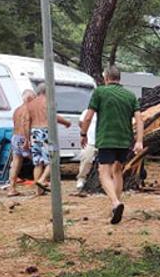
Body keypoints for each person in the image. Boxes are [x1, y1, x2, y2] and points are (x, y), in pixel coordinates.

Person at [81, 65, 143, 224]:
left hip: (107, 138)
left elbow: (88, 117)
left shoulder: (100, 92)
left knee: (104, 172)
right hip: (124, 140)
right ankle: (115, 205)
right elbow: (139, 119)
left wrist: (83, 134)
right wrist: (139, 141)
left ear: (106, 77)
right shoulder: (130, 95)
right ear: (119, 78)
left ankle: (116, 203)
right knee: (117, 171)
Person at [25, 82, 71, 196]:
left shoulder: (30, 104)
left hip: (34, 132)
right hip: (46, 132)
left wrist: (27, 139)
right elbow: (53, 116)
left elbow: (27, 122)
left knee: (38, 162)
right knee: (53, 158)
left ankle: (38, 190)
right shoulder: (49, 101)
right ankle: (42, 180)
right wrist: (66, 122)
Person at [6, 89, 35, 197]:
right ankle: (40, 187)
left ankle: (11, 188)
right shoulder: (29, 110)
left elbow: (15, 123)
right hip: (23, 137)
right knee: (39, 161)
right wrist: (28, 139)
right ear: (29, 99)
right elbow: (26, 125)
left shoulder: (17, 110)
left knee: (16, 163)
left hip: (15, 137)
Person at [73, 107, 97, 196]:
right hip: (90, 140)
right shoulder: (86, 112)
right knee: (86, 159)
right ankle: (81, 179)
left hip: (103, 140)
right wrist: (85, 132)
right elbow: (81, 122)